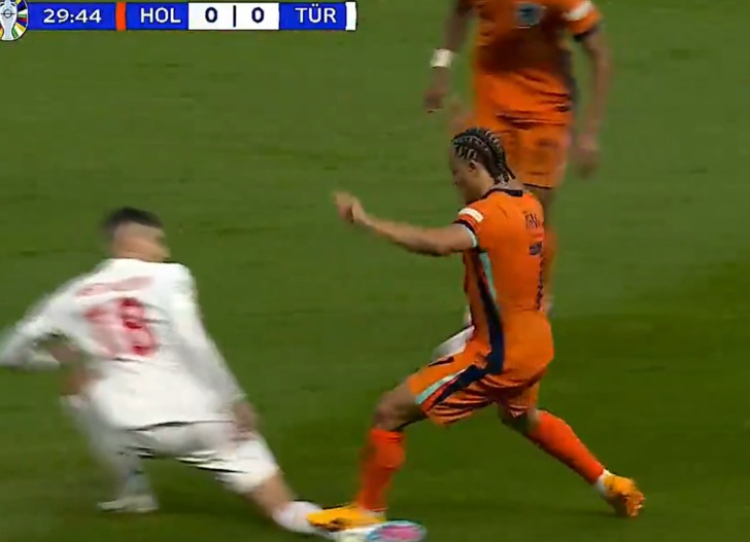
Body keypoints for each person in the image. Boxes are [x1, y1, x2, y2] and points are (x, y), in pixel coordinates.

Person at [308, 127, 643, 533]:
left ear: (473, 166)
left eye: (455, 173)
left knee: (389, 411)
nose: (455, 182)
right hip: (534, 343)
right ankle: (609, 483)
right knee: (523, 418)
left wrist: (368, 222)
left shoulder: (484, 216)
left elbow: (436, 243)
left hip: (497, 356)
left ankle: (367, 510)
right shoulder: (529, 204)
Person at [0, 207, 321, 535]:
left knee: (79, 387)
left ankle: (132, 489)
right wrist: (233, 398)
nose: (164, 251)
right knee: (287, 510)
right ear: (131, 241)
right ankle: (347, 530)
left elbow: (9, 354)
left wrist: (56, 359)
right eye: (157, 241)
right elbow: (192, 339)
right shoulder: (169, 276)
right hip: (203, 423)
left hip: (130, 429)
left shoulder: (70, 295)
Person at [424, 0, 612, 305]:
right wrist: (441, 68)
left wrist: (590, 133)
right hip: (492, 107)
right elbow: (460, 10)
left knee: (531, 213)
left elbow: (599, 55)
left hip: (545, 113)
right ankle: (484, 306)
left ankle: (535, 298)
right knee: (485, 210)